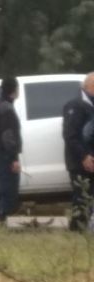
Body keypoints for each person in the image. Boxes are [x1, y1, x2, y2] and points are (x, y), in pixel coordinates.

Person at [0, 77, 22, 227]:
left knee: (2, 187)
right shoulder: (6, 108)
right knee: (6, 189)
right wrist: (14, 158)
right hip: (5, 155)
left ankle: (0, 220)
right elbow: (8, 135)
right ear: (14, 90)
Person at [63, 72, 94, 232]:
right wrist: (84, 156)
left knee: (89, 200)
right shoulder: (75, 105)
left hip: (91, 160)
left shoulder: (90, 104)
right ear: (90, 86)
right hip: (79, 162)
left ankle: (85, 231)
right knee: (81, 199)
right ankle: (76, 232)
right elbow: (71, 135)